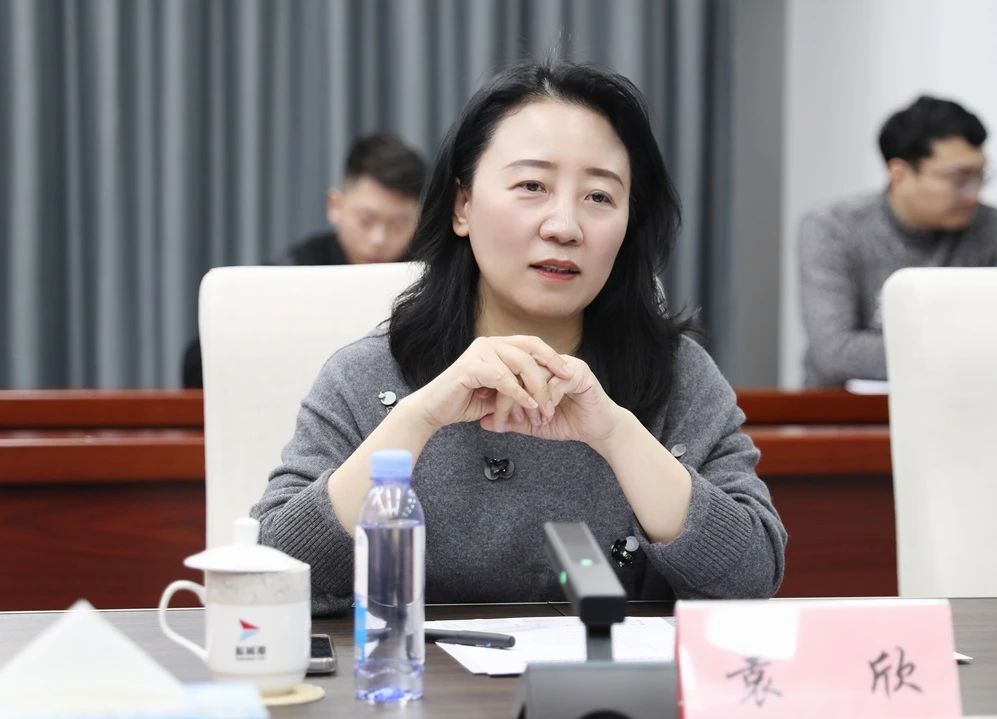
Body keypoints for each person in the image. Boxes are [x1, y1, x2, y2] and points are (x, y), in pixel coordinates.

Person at [251, 61, 787, 615]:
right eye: (532, 186)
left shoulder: (677, 376)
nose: (564, 226)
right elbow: (271, 577)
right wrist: (417, 420)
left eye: (599, 197)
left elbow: (752, 578)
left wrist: (617, 434)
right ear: (463, 205)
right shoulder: (366, 376)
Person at [798, 95, 997, 388]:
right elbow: (835, 352)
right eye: (959, 179)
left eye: (980, 176)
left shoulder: (992, 226)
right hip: (847, 407)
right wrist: (968, 352)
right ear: (900, 175)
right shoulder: (833, 228)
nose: (973, 194)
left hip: (962, 400)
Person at [181, 132, 426, 387]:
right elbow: (199, 363)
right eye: (366, 220)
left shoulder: (429, 276)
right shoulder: (294, 270)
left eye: (398, 224)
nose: (378, 238)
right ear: (335, 206)